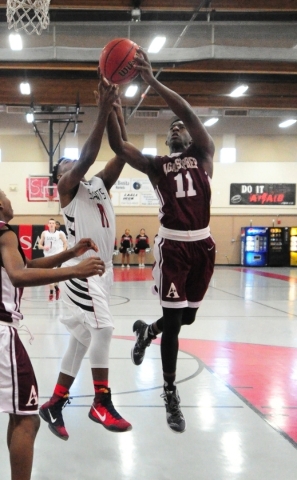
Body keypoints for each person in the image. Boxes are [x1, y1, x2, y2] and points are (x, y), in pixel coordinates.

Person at [107, 49, 215, 433]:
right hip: (172, 247)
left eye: (179, 127)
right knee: (175, 323)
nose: (175, 128)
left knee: (187, 317)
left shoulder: (203, 154)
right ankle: (170, 393)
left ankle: (147, 331)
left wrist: (152, 82)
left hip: (202, 246)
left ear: (187, 135)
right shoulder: (157, 165)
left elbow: (186, 111)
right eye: (169, 127)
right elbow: (120, 147)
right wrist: (111, 108)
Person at [39, 76, 132, 441]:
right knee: (104, 329)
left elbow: (121, 151)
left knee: (80, 342)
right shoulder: (67, 190)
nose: (70, 165)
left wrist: (116, 112)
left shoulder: (98, 184)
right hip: (84, 271)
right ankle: (100, 401)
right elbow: (89, 155)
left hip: (103, 272)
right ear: (60, 177)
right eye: (64, 164)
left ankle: (54, 404)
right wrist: (103, 109)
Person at [0, 189, 105, 480]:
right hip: (1, 332)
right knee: (27, 419)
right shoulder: (4, 233)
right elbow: (19, 275)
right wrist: (75, 271)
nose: (11, 201)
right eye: (8, 197)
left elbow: (28, 266)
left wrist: (70, 254)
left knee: (20, 413)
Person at [38, 218, 68, 300]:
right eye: (50, 223)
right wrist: (44, 247)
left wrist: (63, 252)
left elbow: (65, 243)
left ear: (55, 225)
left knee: (52, 274)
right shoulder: (44, 233)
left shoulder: (60, 234)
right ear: (48, 225)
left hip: (56, 255)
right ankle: (56, 289)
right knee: (49, 275)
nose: (51, 224)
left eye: (53, 223)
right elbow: (39, 245)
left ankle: (51, 294)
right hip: (47, 256)